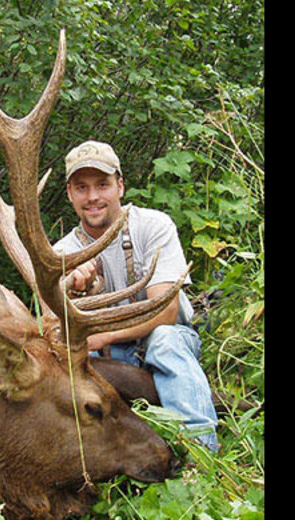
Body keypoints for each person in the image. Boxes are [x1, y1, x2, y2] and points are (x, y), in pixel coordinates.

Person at [53, 140, 219, 452]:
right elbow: (54, 327)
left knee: (165, 341)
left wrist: (102, 336)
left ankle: (202, 453)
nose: (93, 197)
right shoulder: (61, 252)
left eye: (102, 185)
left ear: (120, 186)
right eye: (82, 187)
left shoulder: (152, 226)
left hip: (164, 346)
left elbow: (166, 312)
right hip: (107, 360)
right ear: (70, 193)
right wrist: (70, 289)